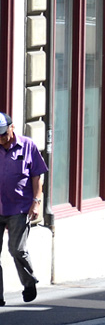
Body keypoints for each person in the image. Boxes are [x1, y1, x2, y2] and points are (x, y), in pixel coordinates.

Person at [0, 112, 47, 304]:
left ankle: (29, 282)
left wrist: (36, 202)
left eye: (3, 133)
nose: (1, 138)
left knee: (17, 249)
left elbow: (37, 176)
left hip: (19, 207)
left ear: (12, 128)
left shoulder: (28, 146)